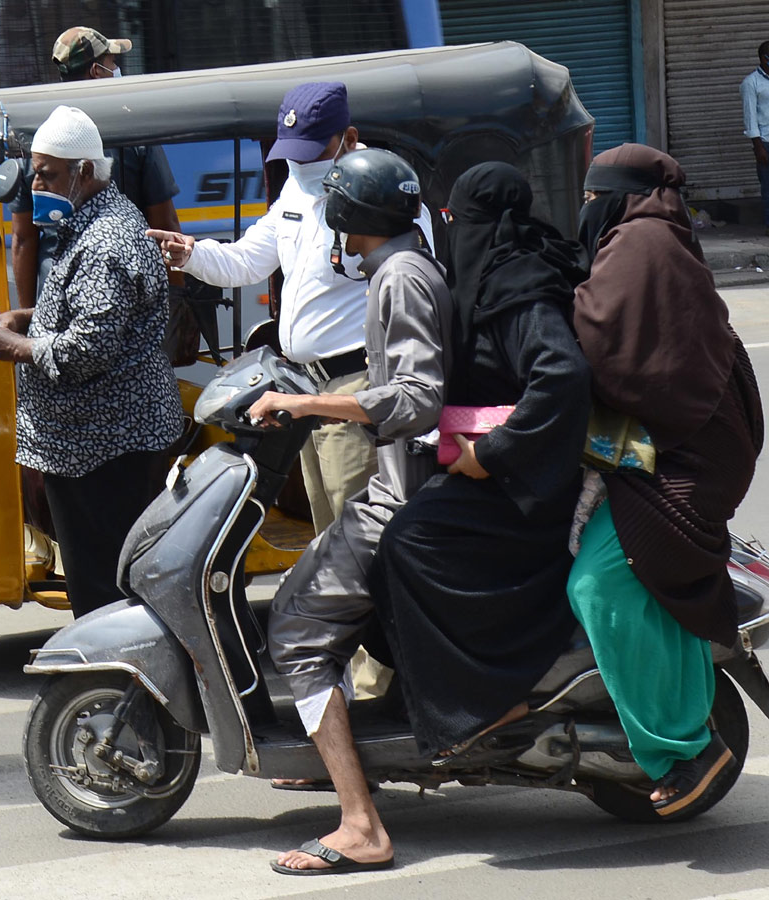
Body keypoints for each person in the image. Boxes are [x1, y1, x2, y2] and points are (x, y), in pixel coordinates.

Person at [247, 149, 453, 876]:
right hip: (402, 483)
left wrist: (307, 402)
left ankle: (361, 823)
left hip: (402, 491)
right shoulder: (404, 264)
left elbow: (415, 398)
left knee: (296, 628)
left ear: (347, 215)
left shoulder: (399, 278)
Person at [369, 162, 591, 774]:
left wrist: (491, 455)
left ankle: (488, 699)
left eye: (459, 220)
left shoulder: (519, 284)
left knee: (409, 542)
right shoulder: (497, 274)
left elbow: (562, 376)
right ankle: (436, 698)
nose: (453, 231)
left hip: (529, 484)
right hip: (500, 470)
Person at [567, 143, 763, 818]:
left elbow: (602, 341)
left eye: (594, 198)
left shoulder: (639, 245)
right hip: (689, 442)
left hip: (683, 456)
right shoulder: (657, 235)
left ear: (619, 197)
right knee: (644, 573)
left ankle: (685, 747)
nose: (587, 209)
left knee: (597, 580)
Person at [149, 82, 377, 535]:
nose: (301, 163)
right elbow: (247, 259)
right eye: (294, 153)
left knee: (359, 532)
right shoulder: (296, 186)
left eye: (313, 151)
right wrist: (190, 254)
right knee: (328, 529)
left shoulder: (379, 192)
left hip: (354, 382)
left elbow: (409, 284)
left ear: (348, 140)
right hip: (305, 386)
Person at [0, 106, 181, 619]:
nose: (36, 184)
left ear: (84, 172)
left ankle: (123, 690)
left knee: (106, 592)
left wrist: (17, 347)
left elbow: (87, 349)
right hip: (90, 443)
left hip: (107, 449)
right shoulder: (87, 223)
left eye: (46, 174)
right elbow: (89, 311)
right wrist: (29, 317)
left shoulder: (105, 240)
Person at [10, 26, 183, 312]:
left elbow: (23, 238)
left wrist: (29, 318)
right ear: (96, 71)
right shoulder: (134, 134)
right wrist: (177, 305)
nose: (117, 69)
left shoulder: (34, 137)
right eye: (113, 62)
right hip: (128, 295)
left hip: (56, 298)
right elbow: (165, 227)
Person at [740, 41, 769, 235]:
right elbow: (750, 117)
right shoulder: (751, 83)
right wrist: (758, 147)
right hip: (766, 141)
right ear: (763, 58)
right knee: (768, 185)